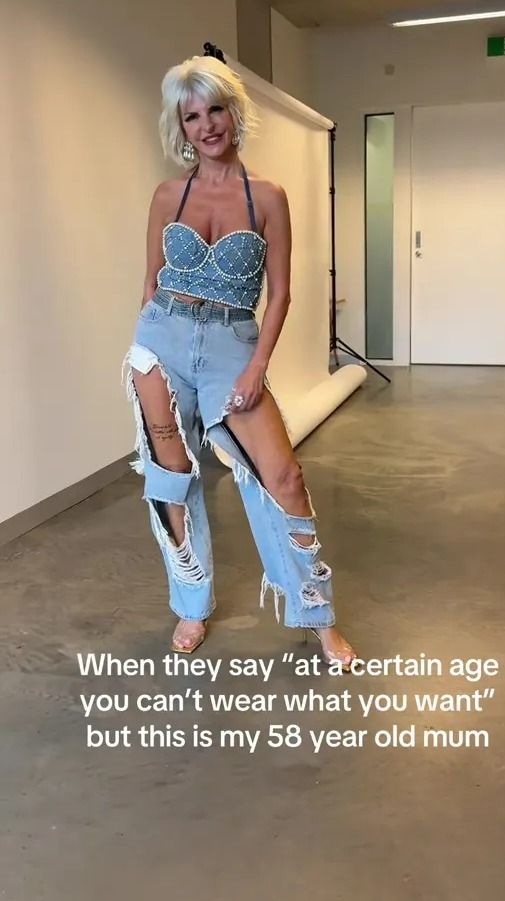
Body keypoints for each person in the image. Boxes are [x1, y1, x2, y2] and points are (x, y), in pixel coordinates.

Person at [122, 54, 357, 670]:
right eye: (192, 115)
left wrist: (256, 367)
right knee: (170, 480)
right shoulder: (167, 194)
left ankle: (318, 615)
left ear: (234, 113)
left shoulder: (268, 197)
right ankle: (191, 603)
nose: (207, 125)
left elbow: (279, 294)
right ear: (182, 127)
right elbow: (149, 283)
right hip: (162, 339)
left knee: (284, 480)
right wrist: (149, 351)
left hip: (232, 344)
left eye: (215, 109)